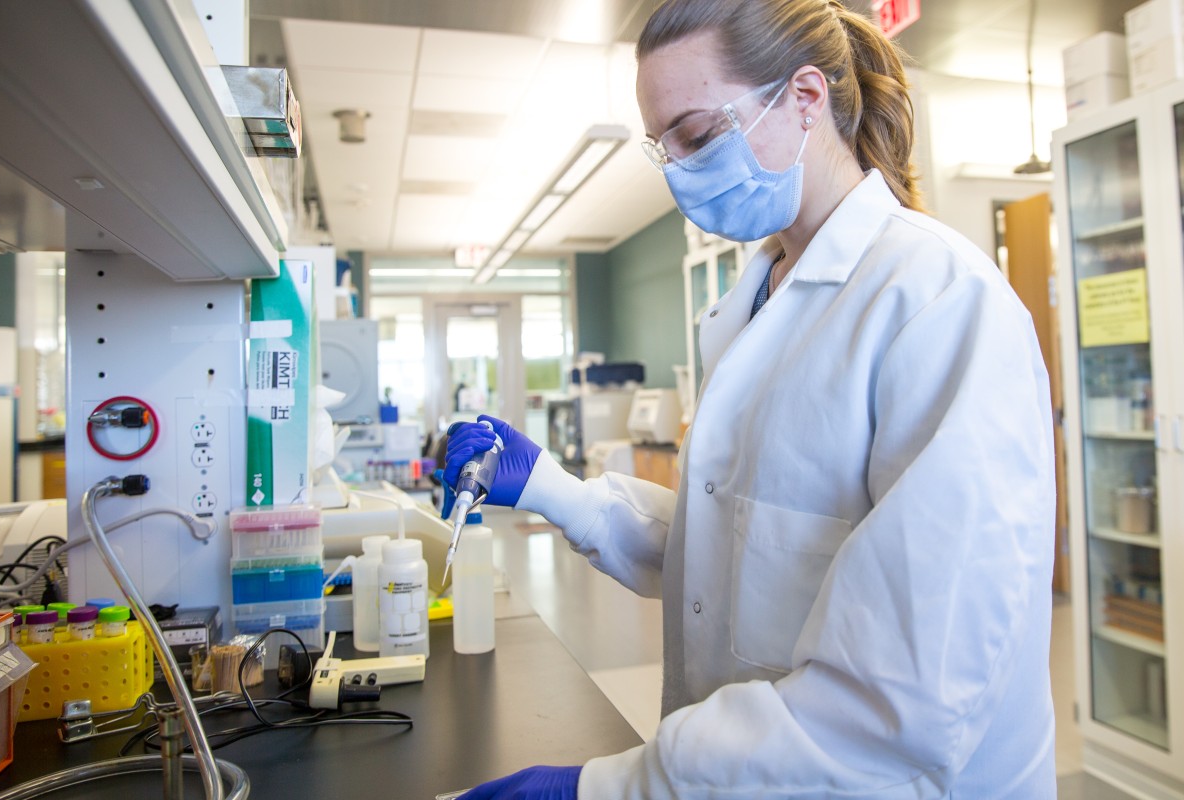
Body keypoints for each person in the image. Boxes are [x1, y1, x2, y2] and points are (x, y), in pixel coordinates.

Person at [447, 0, 1057, 796]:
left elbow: (900, 698)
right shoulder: (755, 303)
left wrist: (606, 789)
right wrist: (555, 492)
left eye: (697, 136)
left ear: (806, 98)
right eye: (661, 148)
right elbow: (746, 550)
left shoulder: (938, 302)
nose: (677, 171)